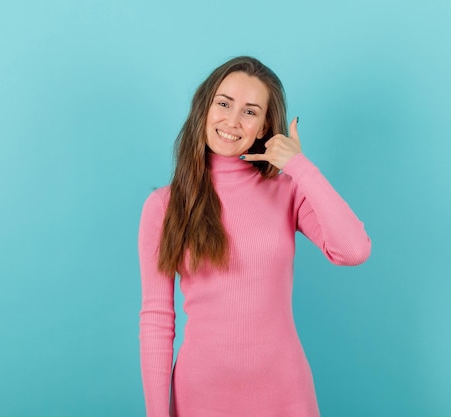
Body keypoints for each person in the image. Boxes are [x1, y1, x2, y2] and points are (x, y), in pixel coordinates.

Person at [137, 56, 371, 417]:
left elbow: (353, 250)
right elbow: (156, 318)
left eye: (250, 111)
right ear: (205, 107)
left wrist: (300, 167)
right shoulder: (164, 205)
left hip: (285, 394)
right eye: (224, 104)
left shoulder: (288, 191)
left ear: (264, 126)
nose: (232, 121)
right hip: (200, 396)